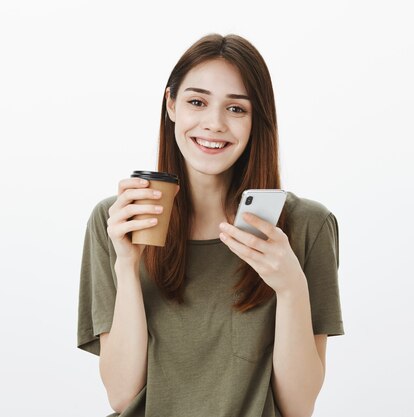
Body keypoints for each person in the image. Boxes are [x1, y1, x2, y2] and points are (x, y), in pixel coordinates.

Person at [77, 33, 344, 417]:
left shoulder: (306, 227)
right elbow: (122, 396)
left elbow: (298, 407)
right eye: (197, 102)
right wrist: (127, 265)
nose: (214, 123)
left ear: (257, 119)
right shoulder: (119, 220)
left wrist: (291, 288)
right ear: (171, 105)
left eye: (236, 109)